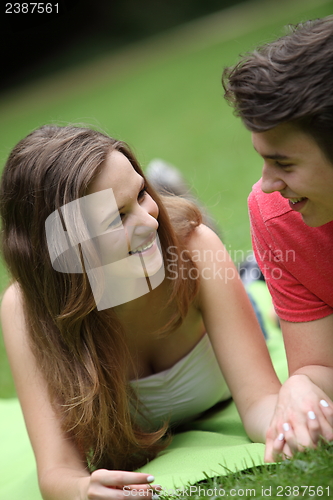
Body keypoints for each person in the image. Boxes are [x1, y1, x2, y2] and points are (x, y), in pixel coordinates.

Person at [0, 125, 318, 500]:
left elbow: (261, 404)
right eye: (117, 217)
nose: (149, 220)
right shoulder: (26, 312)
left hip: (198, 273)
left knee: (246, 276)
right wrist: (83, 490)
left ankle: (188, 209)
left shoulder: (196, 251)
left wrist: (292, 425)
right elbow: (57, 471)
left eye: (141, 194)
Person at [222, 16, 333, 461]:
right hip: (275, 269)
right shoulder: (274, 213)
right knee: (250, 291)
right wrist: (301, 384)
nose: (267, 185)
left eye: (284, 165)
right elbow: (319, 367)